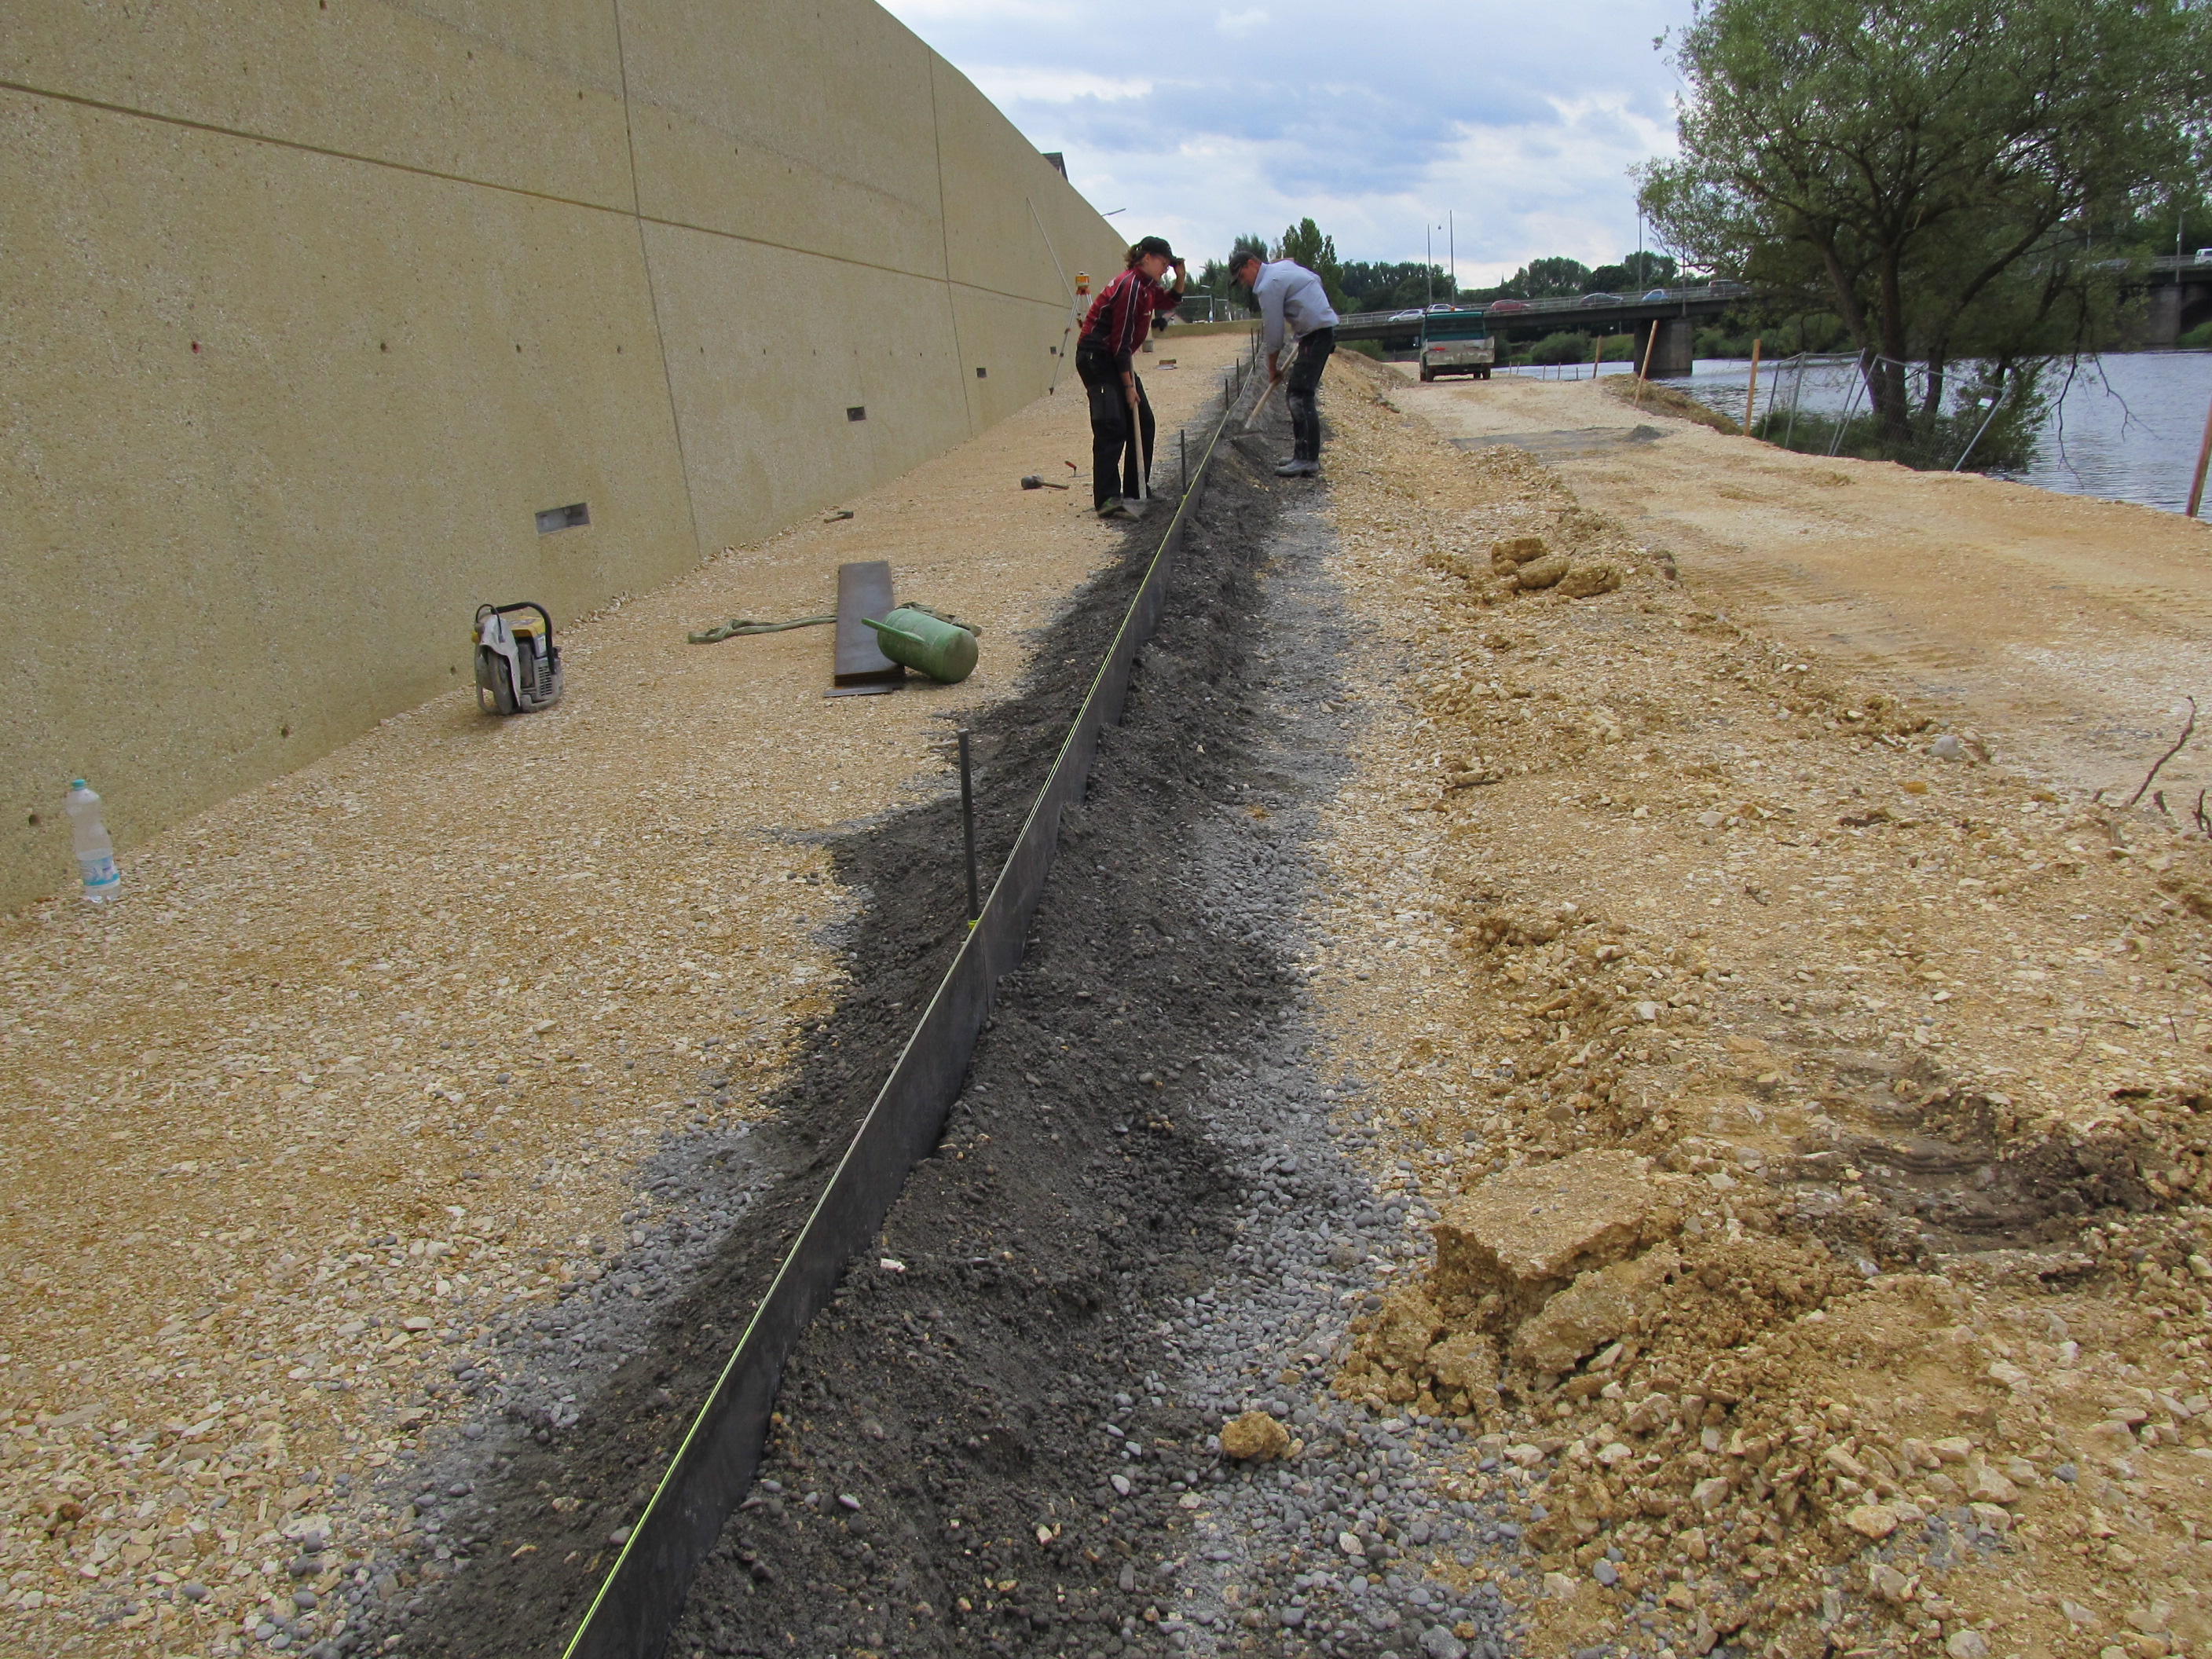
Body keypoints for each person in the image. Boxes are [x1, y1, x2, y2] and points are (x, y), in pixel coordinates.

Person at [1076, 236, 1185, 517]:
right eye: (1164, 263)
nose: (1165, 269)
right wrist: (1128, 385)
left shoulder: (1147, 287)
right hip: (1097, 357)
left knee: (1143, 421)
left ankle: (1137, 488)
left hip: (1115, 358)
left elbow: (1171, 300)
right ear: (1147, 258)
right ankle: (1108, 499)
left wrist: (1180, 278)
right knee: (1111, 425)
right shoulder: (1131, 287)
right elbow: (1120, 341)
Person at [1226, 248, 1339, 477]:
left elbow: (1274, 333)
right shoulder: (1283, 268)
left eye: (1242, 275)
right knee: (1298, 393)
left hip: (1317, 334)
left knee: (1299, 395)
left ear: (1252, 264)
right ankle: (1302, 454)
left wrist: (1272, 369)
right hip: (1317, 331)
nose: (1243, 282)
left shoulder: (1268, 285)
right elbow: (1314, 279)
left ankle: (1308, 459)